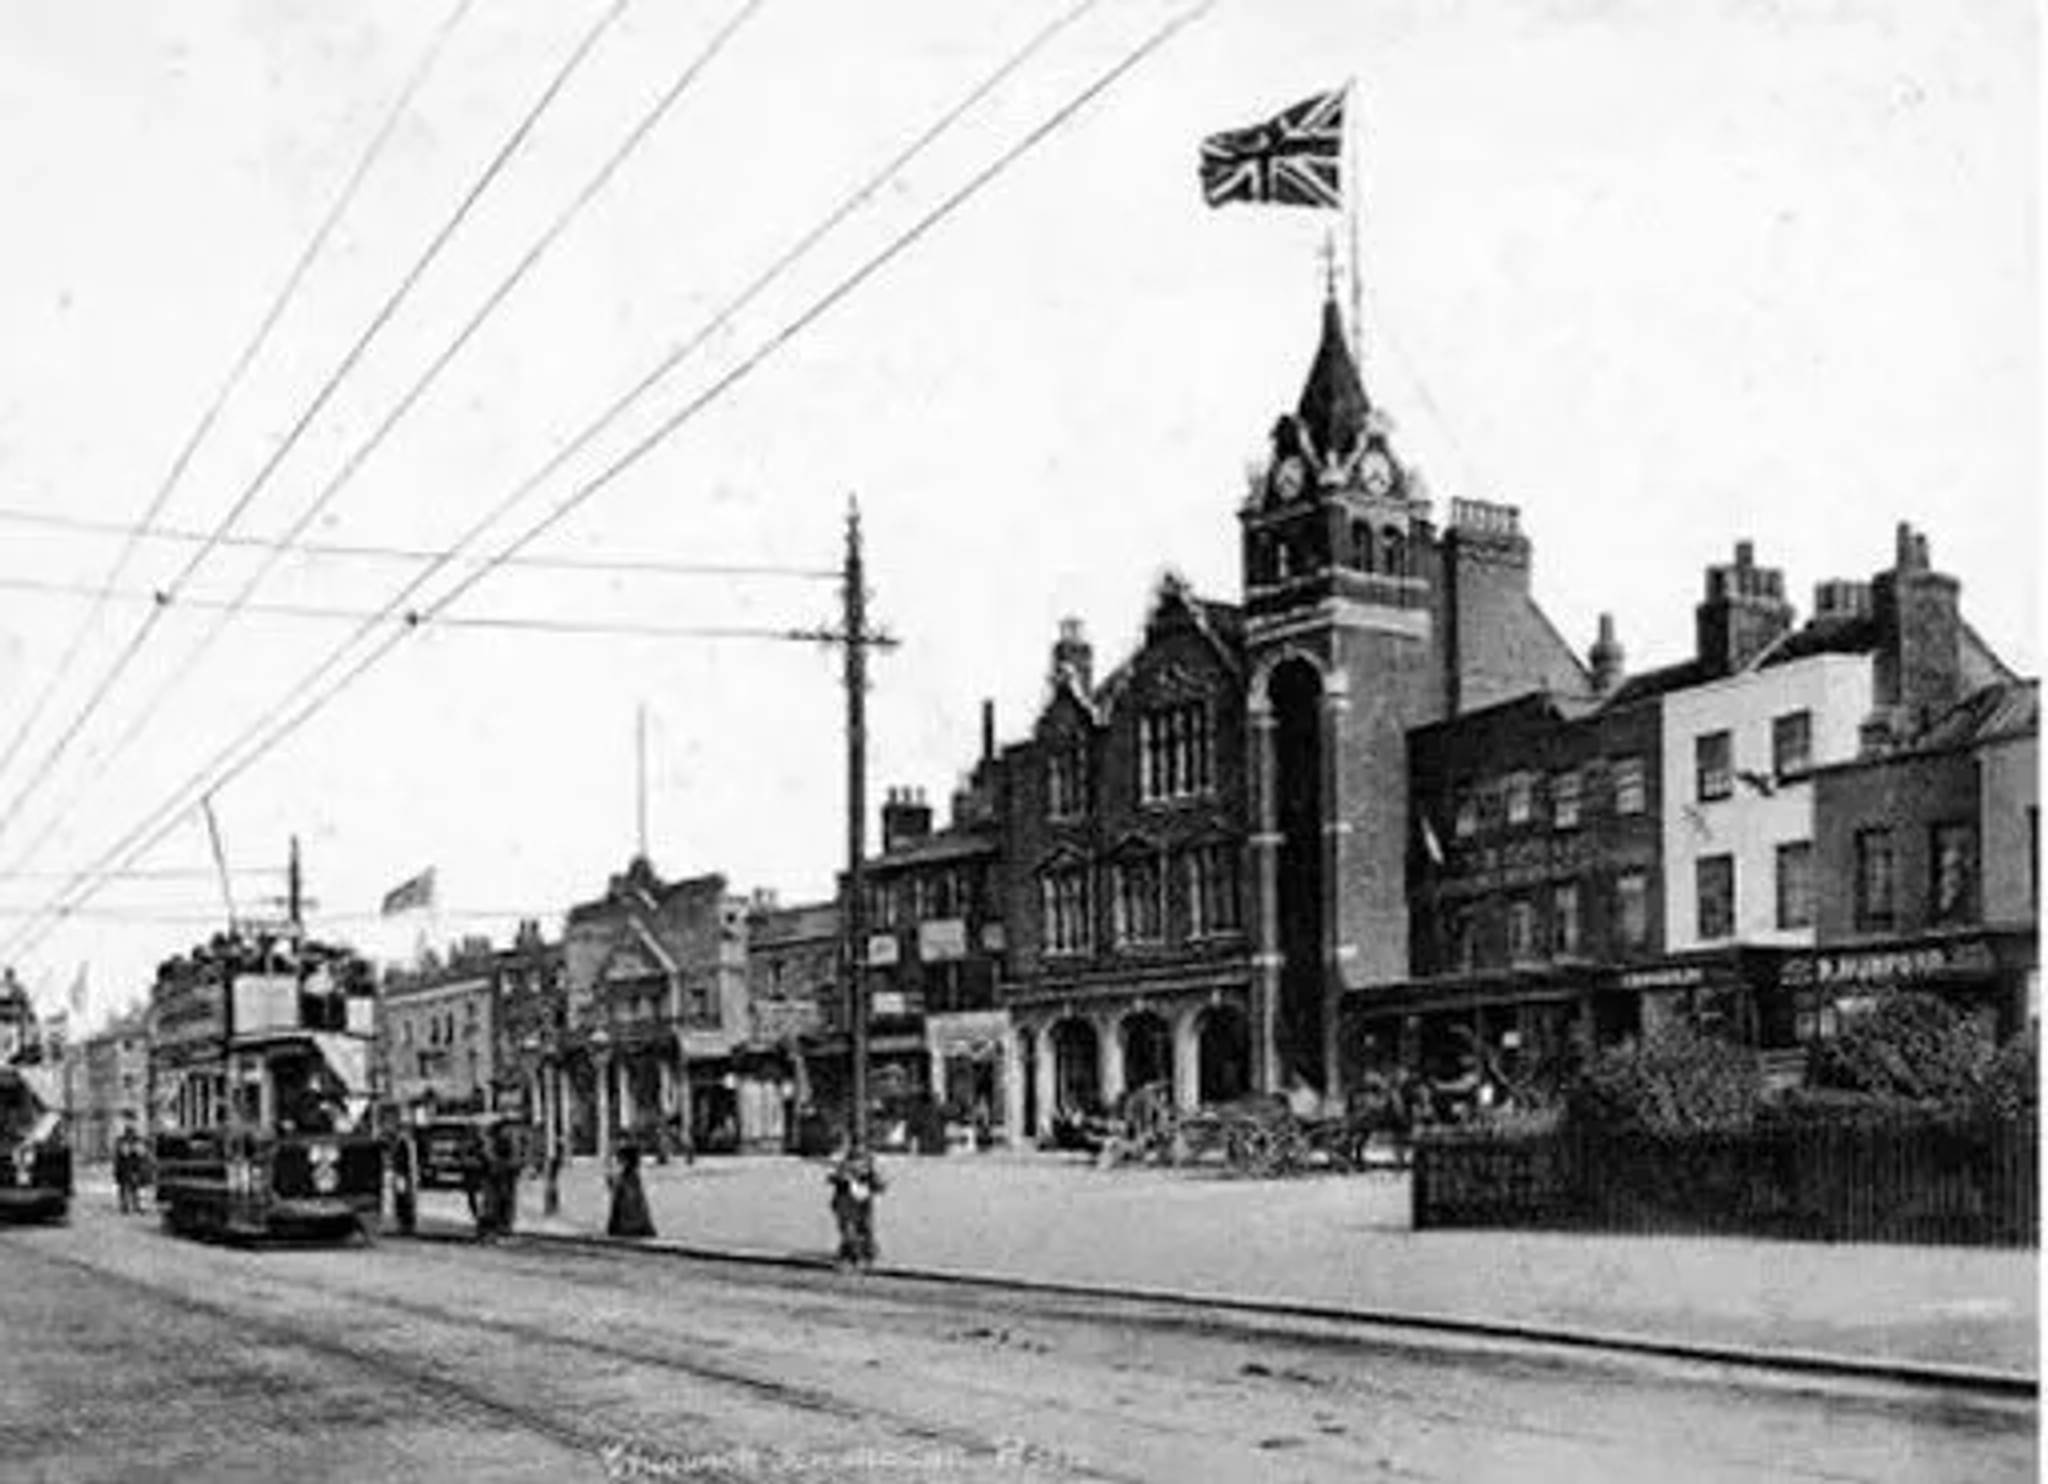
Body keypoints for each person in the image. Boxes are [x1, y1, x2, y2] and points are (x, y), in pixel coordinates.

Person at [827, 1147, 884, 1270]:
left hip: (863, 1208)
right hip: (846, 1207)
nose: (859, 1167)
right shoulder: (844, 1176)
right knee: (848, 1231)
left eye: (863, 1164)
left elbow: (879, 1186)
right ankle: (850, 1255)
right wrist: (842, 1176)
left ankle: (867, 1252)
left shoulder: (869, 1175)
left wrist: (875, 1182)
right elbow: (833, 1179)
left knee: (866, 1229)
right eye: (854, 1162)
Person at [606, 1139, 655, 1239]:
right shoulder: (632, 1180)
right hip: (635, 1229)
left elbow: (621, 1209)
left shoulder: (626, 1181)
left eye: (619, 1160)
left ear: (625, 1161)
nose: (617, 1162)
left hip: (628, 1231)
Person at [113, 1121, 146, 1214]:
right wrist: (132, 1149)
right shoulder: (121, 1140)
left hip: (135, 1167)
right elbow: (124, 1152)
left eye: (132, 1132)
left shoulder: (138, 1140)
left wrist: (134, 1149)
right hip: (124, 1168)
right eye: (129, 1132)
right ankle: (125, 1205)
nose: (130, 1135)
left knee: (137, 1187)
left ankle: (138, 1205)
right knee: (124, 1187)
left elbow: (141, 1152)